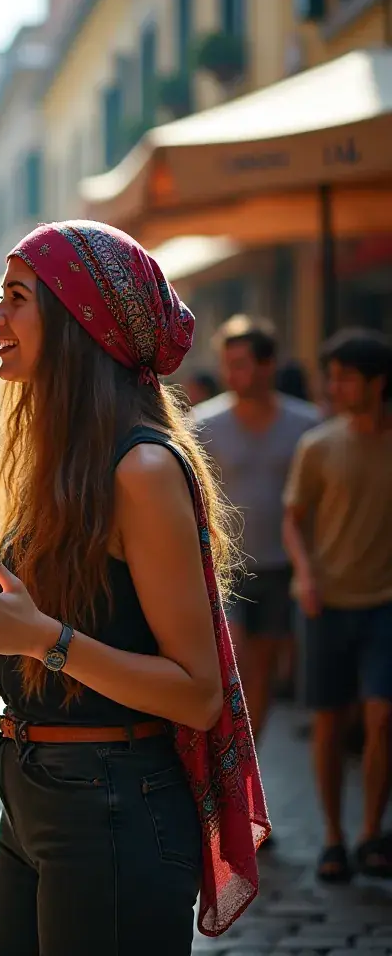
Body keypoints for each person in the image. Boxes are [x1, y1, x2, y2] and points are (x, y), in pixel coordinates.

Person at [0, 221, 268, 953]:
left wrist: (44, 637)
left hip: (113, 803)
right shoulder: (61, 458)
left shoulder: (142, 470)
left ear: (76, 321)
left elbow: (197, 691)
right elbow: (98, 603)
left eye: (16, 297)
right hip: (38, 790)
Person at [282, 327, 392, 883]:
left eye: (347, 377)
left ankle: (373, 831)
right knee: (329, 722)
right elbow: (293, 523)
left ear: (378, 384)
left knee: (382, 715)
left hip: (385, 606)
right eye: (333, 376)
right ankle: (332, 836)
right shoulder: (319, 446)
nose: (336, 386)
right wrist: (305, 576)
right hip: (326, 604)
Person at [194, 316, 320, 757]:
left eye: (243, 363)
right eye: (228, 364)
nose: (232, 374)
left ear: (269, 365)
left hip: (278, 567)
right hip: (224, 568)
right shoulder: (203, 424)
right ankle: (218, 760)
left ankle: (247, 766)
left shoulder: (306, 425)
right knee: (233, 664)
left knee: (261, 675)